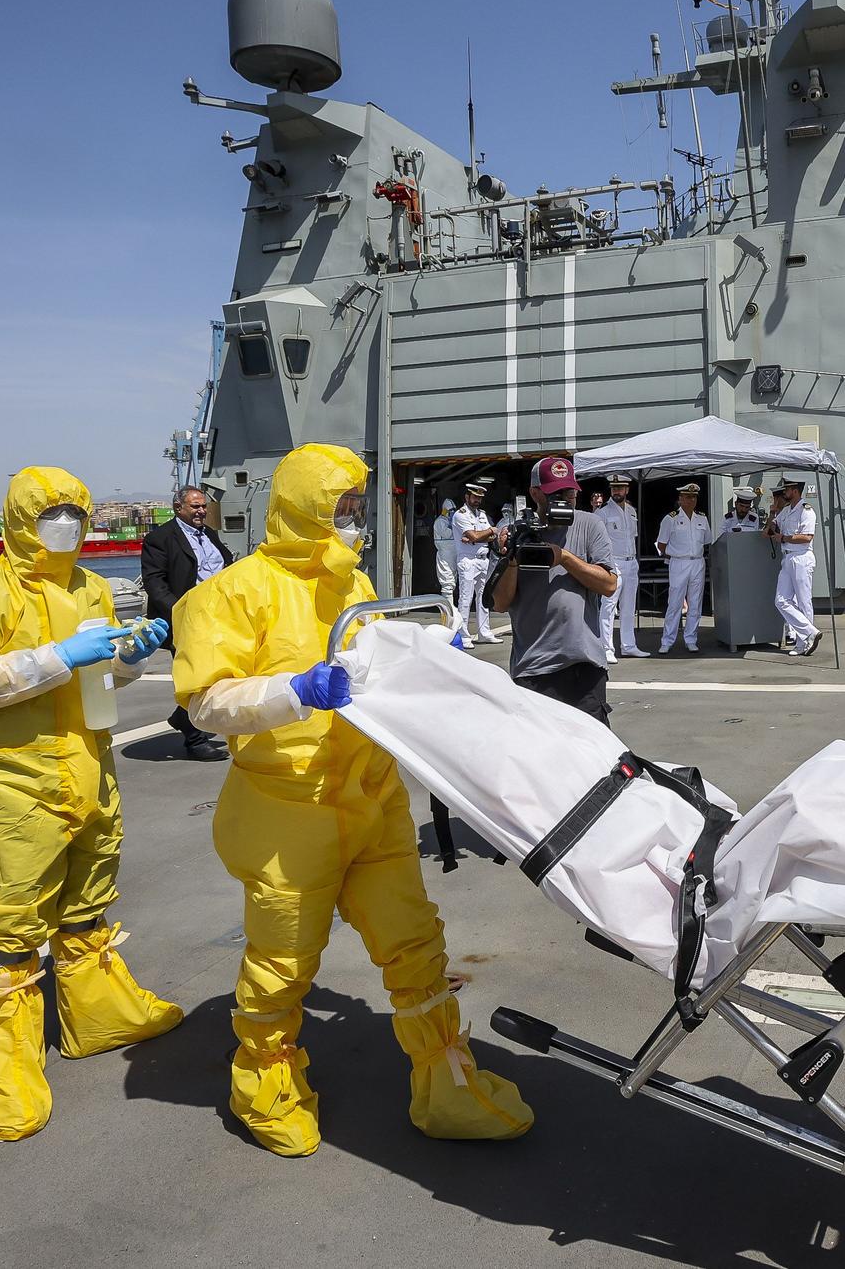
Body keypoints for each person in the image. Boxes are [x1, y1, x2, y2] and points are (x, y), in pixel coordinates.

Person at [172, 443, 531, 1156]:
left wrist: (431, 658)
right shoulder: (231, 592)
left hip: (371, 799)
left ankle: (447, 1078)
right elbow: (206, 701)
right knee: (282, 962)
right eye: (341, 507)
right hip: (286, 811)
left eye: (358, 507)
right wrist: (292, 690)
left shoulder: (356, 583)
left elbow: (377, 660)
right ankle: (264, 1086)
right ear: (305, 507)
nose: (353, 520)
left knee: (415, 944)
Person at [0, 467, 182, 1141]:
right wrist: (56, 654)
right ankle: (7, 1061)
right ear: (20, 516)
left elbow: (106, 671)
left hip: (90, 767)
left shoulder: (91, 587)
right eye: (51, 510)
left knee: (88, 901)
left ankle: (97, 1014)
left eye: (74, 510)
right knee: (12, 925)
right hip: (14, 783)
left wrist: (131, 654)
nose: (65, 521)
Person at [489, 455, 619, 719]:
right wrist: (512, 559)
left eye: (569, 492)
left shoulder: (590, 524)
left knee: (592, 753)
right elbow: (500, 603)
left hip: (584, 664)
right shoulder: (517, 531)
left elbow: (608, 584)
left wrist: (564, 557)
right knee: (538, 756)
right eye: (555, 493)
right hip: (533, 667)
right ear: (535, 493)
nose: (564, 499)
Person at [141, 485, 233, 759]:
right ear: (178, 508)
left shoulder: (210, 535)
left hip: (215, 617)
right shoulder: (161, 538)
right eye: (195, 506)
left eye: (203, 506)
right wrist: (180, 612)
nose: (201, 511)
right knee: (196, 676)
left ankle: (183, 718)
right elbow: (155, 584)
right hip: (185, 619)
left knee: (218, 671)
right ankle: (193, 739)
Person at [656, 482, 714, 653]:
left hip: (697, 561)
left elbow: (707, 541)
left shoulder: (702, 518)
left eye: (694, 497)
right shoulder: (670, 518)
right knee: (674, 603)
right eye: (687, 497)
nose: (691, 500)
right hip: (678, 562)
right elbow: (661, 545)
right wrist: (675, 555)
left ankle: (691, 638)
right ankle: (667, 641)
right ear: (680, 499)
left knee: (695, 603)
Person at [597, 473, 648, 661]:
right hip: (613, 562)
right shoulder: (602, 513)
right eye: (613, 488)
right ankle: (606, 649)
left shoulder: (632, 511)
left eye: (620, 488)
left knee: (629, 607)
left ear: (627, 490)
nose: (616, 491)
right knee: (608, 606)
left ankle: (628, 645)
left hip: (631, 561)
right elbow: (597, 541)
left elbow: (632, 538)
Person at [769, 478, 823, 656]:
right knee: (781, 600)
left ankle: (802, 643)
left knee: (803, 601)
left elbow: (807, 537)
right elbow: (771, 528)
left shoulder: (806, 510)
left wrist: (783, 538)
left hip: (801, 557)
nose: (784, 492)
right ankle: (810, 632)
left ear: (795, 490)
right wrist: (773, 512)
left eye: (787, 489)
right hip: (787, 558)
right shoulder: (786, 510)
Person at [450, 481, 500, 642]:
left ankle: (484, 633)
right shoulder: (460, 514)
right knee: (466, 598)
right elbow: (478, 536)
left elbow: (489, 538)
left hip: (483, 560)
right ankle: (463, 634)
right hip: (468, 561)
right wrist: (488, 531)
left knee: (484, 597)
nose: (477, 500)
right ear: (467, 497)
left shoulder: (482, 514)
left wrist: (477, 537)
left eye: (479, 497)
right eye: (474, 497)